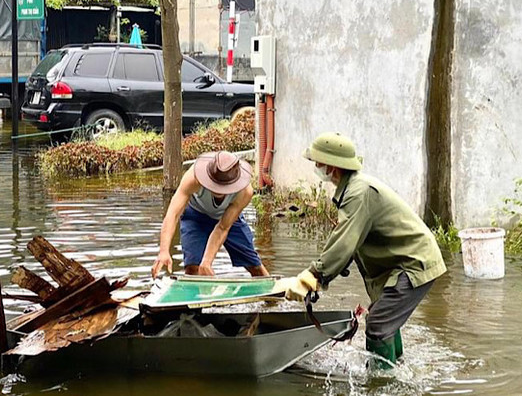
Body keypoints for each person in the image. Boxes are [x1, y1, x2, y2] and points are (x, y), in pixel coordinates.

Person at [282, 132, 447, 369]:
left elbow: (344, 242)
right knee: (382, 316)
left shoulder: (358, 193)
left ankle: (380, 384)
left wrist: (314, 275)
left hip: (412, 264)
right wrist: (317, 276)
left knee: (378, 325)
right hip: (403, 263)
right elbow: (348, 243)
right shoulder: (353, 189)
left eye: (318, 163)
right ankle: (396, 367)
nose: (316, 167)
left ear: (332, 166)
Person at [152, 151, 269, 278]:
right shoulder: (193, 178)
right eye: (215, 185)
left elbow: (223, 228)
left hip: (227, 220)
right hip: (196, 216)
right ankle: (198, 295)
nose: (218, 190)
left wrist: (207, 261)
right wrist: (164, 251)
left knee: (255, 266)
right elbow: (172, 214)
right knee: (193, 269)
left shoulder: (245, 192)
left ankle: (273, 291)